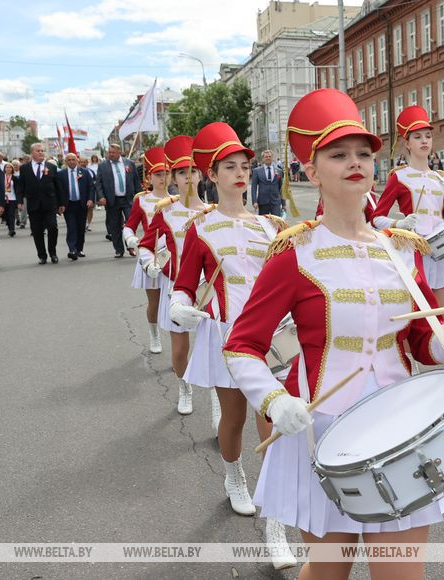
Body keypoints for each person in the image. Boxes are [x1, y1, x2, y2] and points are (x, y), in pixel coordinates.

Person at [223, 88, 444, 579]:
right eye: (338, 155)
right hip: (324, 431)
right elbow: (242, 345)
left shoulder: (400, 250)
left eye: (363, 153)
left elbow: (422, 342)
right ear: (311, 171)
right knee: (329, 574)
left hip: (402, 431)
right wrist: (274, 400)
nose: (355, 162)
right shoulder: (294, 253)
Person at [168, 122, 287, 524]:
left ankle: (274, 504)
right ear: (212, 175)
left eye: (244, 167)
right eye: (230, 167)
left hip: (269, 337)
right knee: (233, 420)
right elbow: (185, 285)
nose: (240, 173)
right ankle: (234, 476)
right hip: (226, 335)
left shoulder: (269, 227)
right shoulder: (200, 228)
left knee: (271, 421)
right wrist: (179, 306)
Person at [138, 135, 222, 426]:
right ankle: (184, 387)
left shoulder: (214, 212)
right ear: (173, 178)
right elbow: (146, 244)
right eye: (182, 172)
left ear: (201, 175)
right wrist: (149, 262)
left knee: (214, 349)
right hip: (179, 289)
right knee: (179, 351)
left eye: (193, 171)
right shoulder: (166, 210)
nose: (188, 177)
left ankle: (217, 401)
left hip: (209, 290)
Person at [372, 105, 444, 307]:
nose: (424, 141)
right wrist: (399, 224)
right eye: (417, 137)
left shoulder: (441, 179)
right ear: (407, 143)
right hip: (414, 251)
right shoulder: (399, 177)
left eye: (428, 136)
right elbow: (376, 218)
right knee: (418, 316)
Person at [123, 147, 171, 354]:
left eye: (166, 173)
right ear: (149, 177)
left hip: (172, 257)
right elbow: (129, 226)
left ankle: (177, 343)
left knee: (175, 302)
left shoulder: (178, 200)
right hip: (150, 255)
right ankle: (154, 334)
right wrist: (131, 239)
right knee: (155, 302)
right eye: (158, 174)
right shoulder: (141, 200)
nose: (163, 178)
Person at [17, 143, 66, 264]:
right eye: (38, 151)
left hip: (50, 203)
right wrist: (19, 201)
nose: (41, 153)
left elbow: (58, 186)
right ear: (32, 153)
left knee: (52, 227)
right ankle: (42, 255)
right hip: (33, 204)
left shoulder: (51, 167)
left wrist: (61, 203)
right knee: (37, 231)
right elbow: (21, 186)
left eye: (42, 151)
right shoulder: (25, 168)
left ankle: (52, 252)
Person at [95, 144, 142, 258]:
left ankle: (130, 246)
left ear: (119, 152)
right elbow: (98, 183)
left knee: (130, 224)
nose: (110, 154)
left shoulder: (129, 163)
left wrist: (140, 196)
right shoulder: (103, 166)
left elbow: (136, 181)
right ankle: (118, 249)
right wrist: (101, 197)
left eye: (113, 152)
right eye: (109, 152)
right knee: (115, 226)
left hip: (128, 199)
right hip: (112, 200)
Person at [59, 153, 94, 260]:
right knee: (71, 227)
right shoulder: (61, 174)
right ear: (66, 162)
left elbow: (91, 187)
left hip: (81, 204)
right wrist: (60, 204)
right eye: (69, 160)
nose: (71, 162)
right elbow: (59, 190)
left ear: (77, 161)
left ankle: (79, 249)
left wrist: (90, 199)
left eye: (73, 159)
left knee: (80, 227)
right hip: (68, 205)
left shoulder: (84, 172)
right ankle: (72, 249)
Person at [250, 150, 283, 216]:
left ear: (272, 158)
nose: (268, 158)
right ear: (263, 159)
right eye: (266, 157)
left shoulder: (278, 171)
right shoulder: (257, 171)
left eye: (270, 156)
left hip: (275, 202)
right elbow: (254, 187)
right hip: (263, 202)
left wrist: (283, 203)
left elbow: (281, 188)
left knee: (277, 221)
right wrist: (254, 201)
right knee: (263, 221)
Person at [1, 163, 19, 237]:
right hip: (3, 198)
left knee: (11, 214)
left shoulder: (15, 178)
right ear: (4, 169)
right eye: (7, 167)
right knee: (6, 214)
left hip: (12, 198)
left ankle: (12, 230)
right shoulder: (1, 177)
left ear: (12, 169)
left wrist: (19, 200)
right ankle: (9, 226)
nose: (8, 169)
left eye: (10, 167)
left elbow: (17, 189)